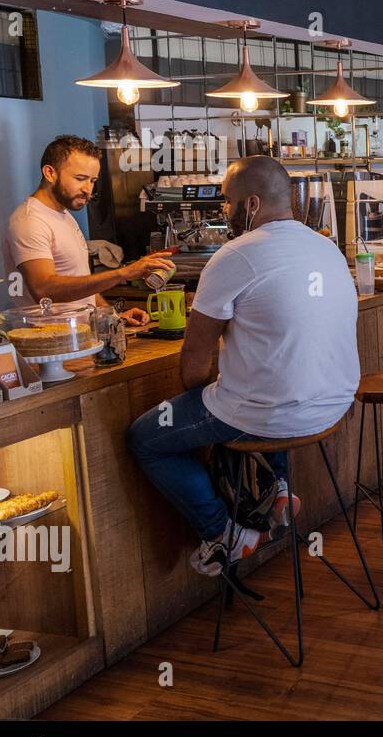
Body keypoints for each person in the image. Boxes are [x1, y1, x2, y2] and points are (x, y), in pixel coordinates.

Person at [128, 156, 361, 577]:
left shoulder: (234, 256)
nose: (222, 210)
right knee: (256, 390)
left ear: (250, 204)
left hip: (272, 416)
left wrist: (201, 393)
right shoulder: (326, 247)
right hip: (334, 406)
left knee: (147, 437)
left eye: (226, 201)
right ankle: (280, 488)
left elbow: (195, 359)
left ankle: (226, 534)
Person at [4, 134, 173, 324]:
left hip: (80, 338)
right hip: (51, 344)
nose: (88, 189)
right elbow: (44, 289)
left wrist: (111, 314)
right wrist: (124, 273)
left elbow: (80, 284)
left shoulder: (63, 215)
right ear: (50, 173)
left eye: (92, 180)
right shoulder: (30, 221)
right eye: (80, 178)